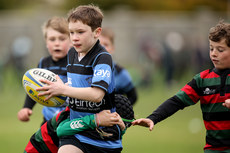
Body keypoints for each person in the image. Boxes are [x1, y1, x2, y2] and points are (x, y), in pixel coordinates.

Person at [132, 20, 230, 153]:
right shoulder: (202, 80)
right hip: (213, 150)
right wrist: (152, 118)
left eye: (220, 49)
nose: (213, 53)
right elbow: (176, 101)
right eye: (211, 48)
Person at [37, 4, 123, 153]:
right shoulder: (71, 54)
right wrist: (56, 91)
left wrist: (63, 89)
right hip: (76, 131)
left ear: (97, 32)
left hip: (103, 136)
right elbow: (74, 93)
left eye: (80, 32)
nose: (75, 38)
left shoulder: (102, 58)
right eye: (71, 32)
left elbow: (96, 95)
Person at [24, 94, 135, 153]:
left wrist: (122, 129)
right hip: (39, 149)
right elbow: (61, 130)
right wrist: (95, 120)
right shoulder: (81, 114)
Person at [17, 16, 72, 125]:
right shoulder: (43, 63)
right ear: (46, 42)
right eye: (52, 39)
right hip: (48, 121)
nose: (57, 43)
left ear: (71, 41)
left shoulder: (74, 63)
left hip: (69, 120)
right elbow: (34, 87)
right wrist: (26, 107)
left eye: (62, 39)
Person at [99, 27, 138, 105]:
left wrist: (120, 109)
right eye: (98, 44)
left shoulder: (120, 73)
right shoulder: (85, 69)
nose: (102, 48)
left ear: (112, 48)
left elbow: (133, 97)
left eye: (106, 44)